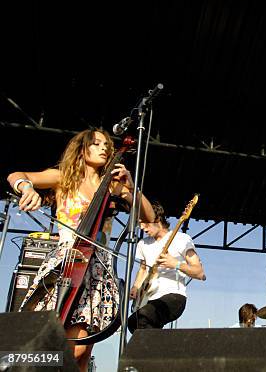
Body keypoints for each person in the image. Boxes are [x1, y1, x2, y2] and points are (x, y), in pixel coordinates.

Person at [7, 128, 156, 372]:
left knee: (82, 350)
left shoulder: (111, 186)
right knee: (62, 346)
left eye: (107, 144)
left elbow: (148, 215)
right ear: (82, 148)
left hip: (97, 269)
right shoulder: (64, 177)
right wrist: (26, 188)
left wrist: (130, 187)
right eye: (96, 143)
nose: (104, 148)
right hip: (66, 263)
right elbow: (16, 175)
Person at [128, 202, 205, 332]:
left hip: (173, 297)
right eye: (139, 223)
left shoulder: (182, 239)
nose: (141, 227)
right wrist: (136, 287)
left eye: (144, 222)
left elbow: (200, 273)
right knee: (133, 323)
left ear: (157, 219)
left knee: (142, 317)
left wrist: (176, 264)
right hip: (148, 299)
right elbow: (143, 269)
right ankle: (158, 351)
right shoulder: (143, 243)